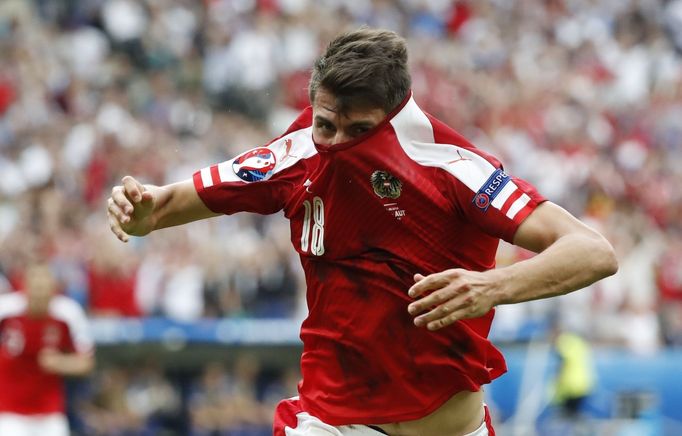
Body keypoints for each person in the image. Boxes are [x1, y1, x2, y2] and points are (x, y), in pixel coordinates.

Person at [107, 28, 618, 436]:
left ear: (397, 112)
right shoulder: (295, 154)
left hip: (449, 425)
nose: (335, 143)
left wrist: (493, 286)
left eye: (359, 130)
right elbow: (162, 206)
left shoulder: (455, 168)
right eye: (326, 124)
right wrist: (139, 211)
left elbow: (592, 251)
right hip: (331, 422)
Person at [0, 262, 95, 436]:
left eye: (44, 289)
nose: (39, 294)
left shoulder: (68, 313)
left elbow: (86, 363)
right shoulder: (6, 310)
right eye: (35, 288)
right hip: (9, 410)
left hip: (49, 411)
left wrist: (61, 363)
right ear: (24, 287)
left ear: (53, 289)